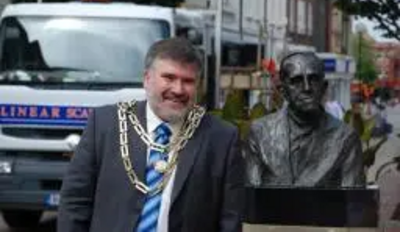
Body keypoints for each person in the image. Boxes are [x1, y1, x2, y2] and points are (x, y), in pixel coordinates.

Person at [58, 37, 244, 232]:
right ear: (147, 78)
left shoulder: (221, 138)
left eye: (188, 81)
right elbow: (75, 203)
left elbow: (230, 218)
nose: (178, 90)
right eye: (169, 78)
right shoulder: (105, 125)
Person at [243, 51, 365, 187]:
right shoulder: (260, 132)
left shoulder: (346, 138)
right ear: (283, 91)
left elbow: (354, 202)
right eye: (296, 81)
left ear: (324, 88)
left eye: (313, 79)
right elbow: (250, 195)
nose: (307, 88)